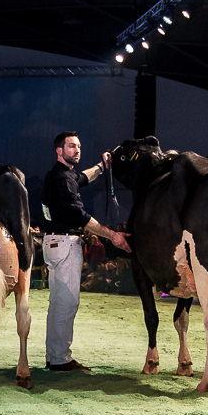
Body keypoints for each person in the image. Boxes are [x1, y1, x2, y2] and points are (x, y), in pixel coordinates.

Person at [38, 132, 128, 373]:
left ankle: (53, 355)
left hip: (53, 242)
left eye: (78, 146)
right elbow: (80, 215)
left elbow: (84, 178)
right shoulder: (63, 180)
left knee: (57, 303)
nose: (77, 150)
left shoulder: (59, 175)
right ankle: (61, 358)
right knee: (67, 303)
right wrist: (112, 235)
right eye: (71, 146)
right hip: (65, 243)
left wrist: (101, 166)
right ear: (59, 150)